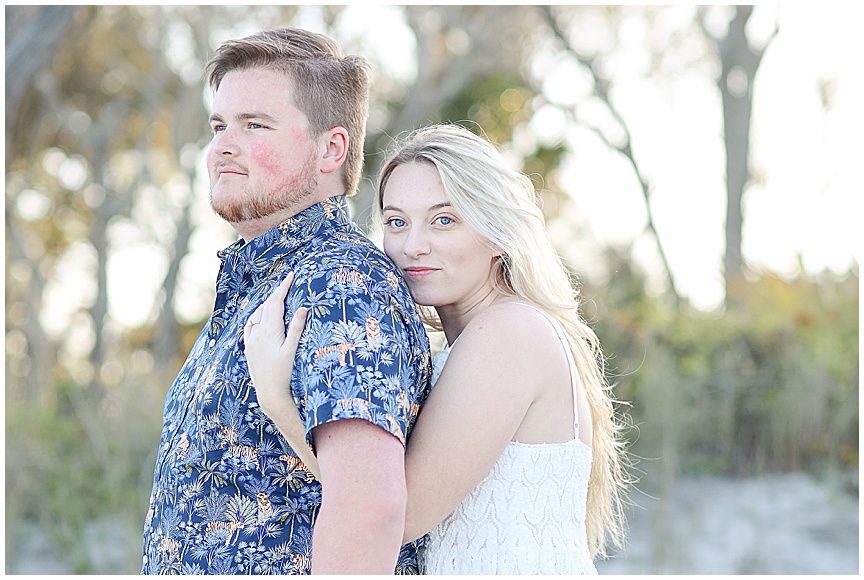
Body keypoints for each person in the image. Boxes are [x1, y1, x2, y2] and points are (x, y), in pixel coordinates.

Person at [245, 123, 630, 574]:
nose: (413, 245)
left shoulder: (509, 333)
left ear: (496, 233)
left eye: (443, 219)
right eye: (396, 222)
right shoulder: (477, 342)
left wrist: (276, 400)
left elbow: (397, 515)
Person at [140, 28, 432, 575]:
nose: (224, 145)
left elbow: (368, 507)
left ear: (331, 149)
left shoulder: (341, 286)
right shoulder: (264, 285)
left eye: (255, 126)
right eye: (220, 126)